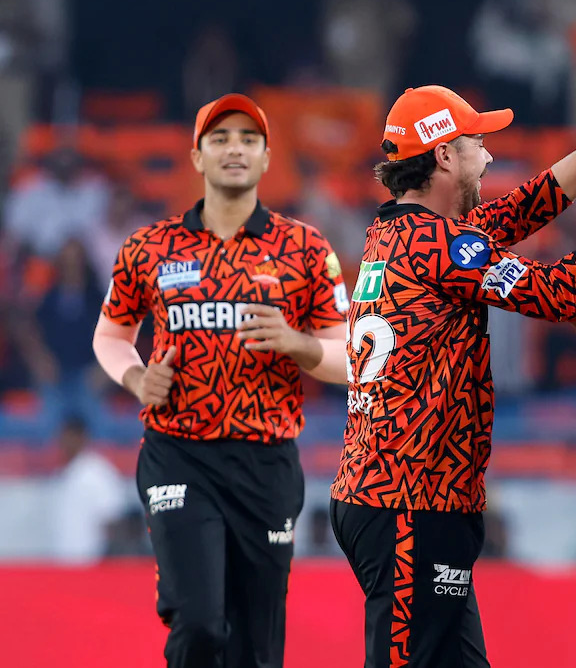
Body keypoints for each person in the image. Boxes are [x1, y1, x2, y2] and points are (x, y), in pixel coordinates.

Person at [330, 84, 576, 668]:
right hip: (409, 503)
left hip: (403, 495)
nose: (490, 155)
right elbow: (559, 293)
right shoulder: (439, 246)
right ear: (444, 155)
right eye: (478, 143)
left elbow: (524, 208)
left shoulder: (398, 232)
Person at [92, 93, 350, 668]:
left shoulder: (305, 248)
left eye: (249, 139)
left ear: (266, 158)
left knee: (255, 649)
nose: (235, 149)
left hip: (266, 462)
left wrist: (298, 344)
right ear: (197, 157)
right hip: (178, 453)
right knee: (201, 623)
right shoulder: (149, 247)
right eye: (220, 138)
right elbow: (109, 336)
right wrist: (136, 378)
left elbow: (356, 359)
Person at [48, 417, 125, 564]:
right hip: (62, 561)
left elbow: (113, 518)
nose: (64, 443)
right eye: (62, 438)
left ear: (82, 438)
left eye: (69, 437)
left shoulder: (98, 472)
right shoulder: (62, 474)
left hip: (91, 562)